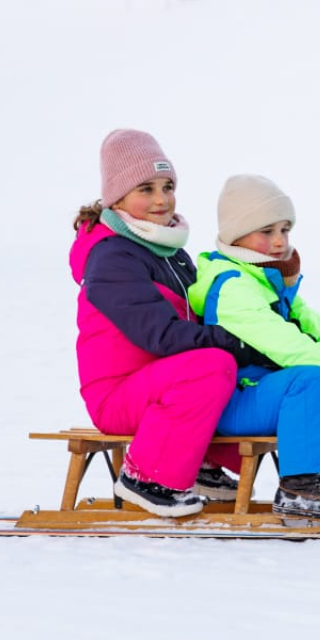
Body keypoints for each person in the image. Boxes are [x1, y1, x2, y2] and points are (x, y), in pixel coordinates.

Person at [70, 130, 273, 518]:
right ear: (117, 196)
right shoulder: (112, 257)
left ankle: (204, 467)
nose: (162, 199)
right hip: (117, 394)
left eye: (168, 186)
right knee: (212, 364)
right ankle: (146, 477)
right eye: (146, 188)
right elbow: (160, 334)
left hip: (162, 381)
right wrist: (232, 343)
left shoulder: (170, 252)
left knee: (239, 366)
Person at [188, 174, 320, 520]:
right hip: (235, 398)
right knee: (313, 380)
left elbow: (318, 332)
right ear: (236, 235)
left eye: (285, 230)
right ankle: (299, 486)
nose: (279, 241)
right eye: (267, 231)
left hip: (263, 393)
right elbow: (281, 342)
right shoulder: (231, 285)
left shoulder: (270, 282)